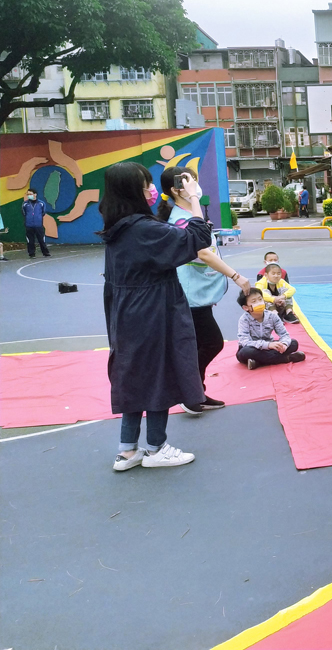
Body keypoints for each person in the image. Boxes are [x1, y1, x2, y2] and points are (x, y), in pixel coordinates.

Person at [100, 162, 210, 470]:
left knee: (135, 375)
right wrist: (193, 200)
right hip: (153, 308)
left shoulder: (118, 226)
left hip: (126, 310)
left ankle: (127, 449)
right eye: (145, 184)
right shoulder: (142, 228)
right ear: (131, 191)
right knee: (161, 370)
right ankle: (156, 447)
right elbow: (197, 239)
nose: (151, 190)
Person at [157, 165, 252, 414]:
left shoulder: (190, 213)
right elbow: (201, 252)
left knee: (200, 343)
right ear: (175, 189)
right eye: (188, 182)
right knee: (211, 343)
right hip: (190, 295)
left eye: (195, 180)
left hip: (199, 292)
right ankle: (189, 391)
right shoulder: (179, 218)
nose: (194, 186)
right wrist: (236, 276)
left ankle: (195, 391)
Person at [236, 288, 306, 370]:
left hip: (270, 345)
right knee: (245, 352)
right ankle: (286, 358)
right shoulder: (244, 320)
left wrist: (284, 344)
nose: (259, 303)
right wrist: (268, 345)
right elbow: (245, 342)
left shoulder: (272, 316)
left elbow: (284, 334)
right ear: (246, 308)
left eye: (260, 299)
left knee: (293, 343)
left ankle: (258, 362)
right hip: (253, 348)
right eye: (254, 301)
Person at [22, 188, 50, 258]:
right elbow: (24, 213)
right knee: (30, 241)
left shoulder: (41, 203)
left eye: (30, 194)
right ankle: (31, 254)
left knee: (41, 239)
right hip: (29, 225)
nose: (29, 196)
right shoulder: (25, 204)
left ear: (35, 194)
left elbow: (43, 212)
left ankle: (45, 253)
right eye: (28, 194)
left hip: (38, 225)